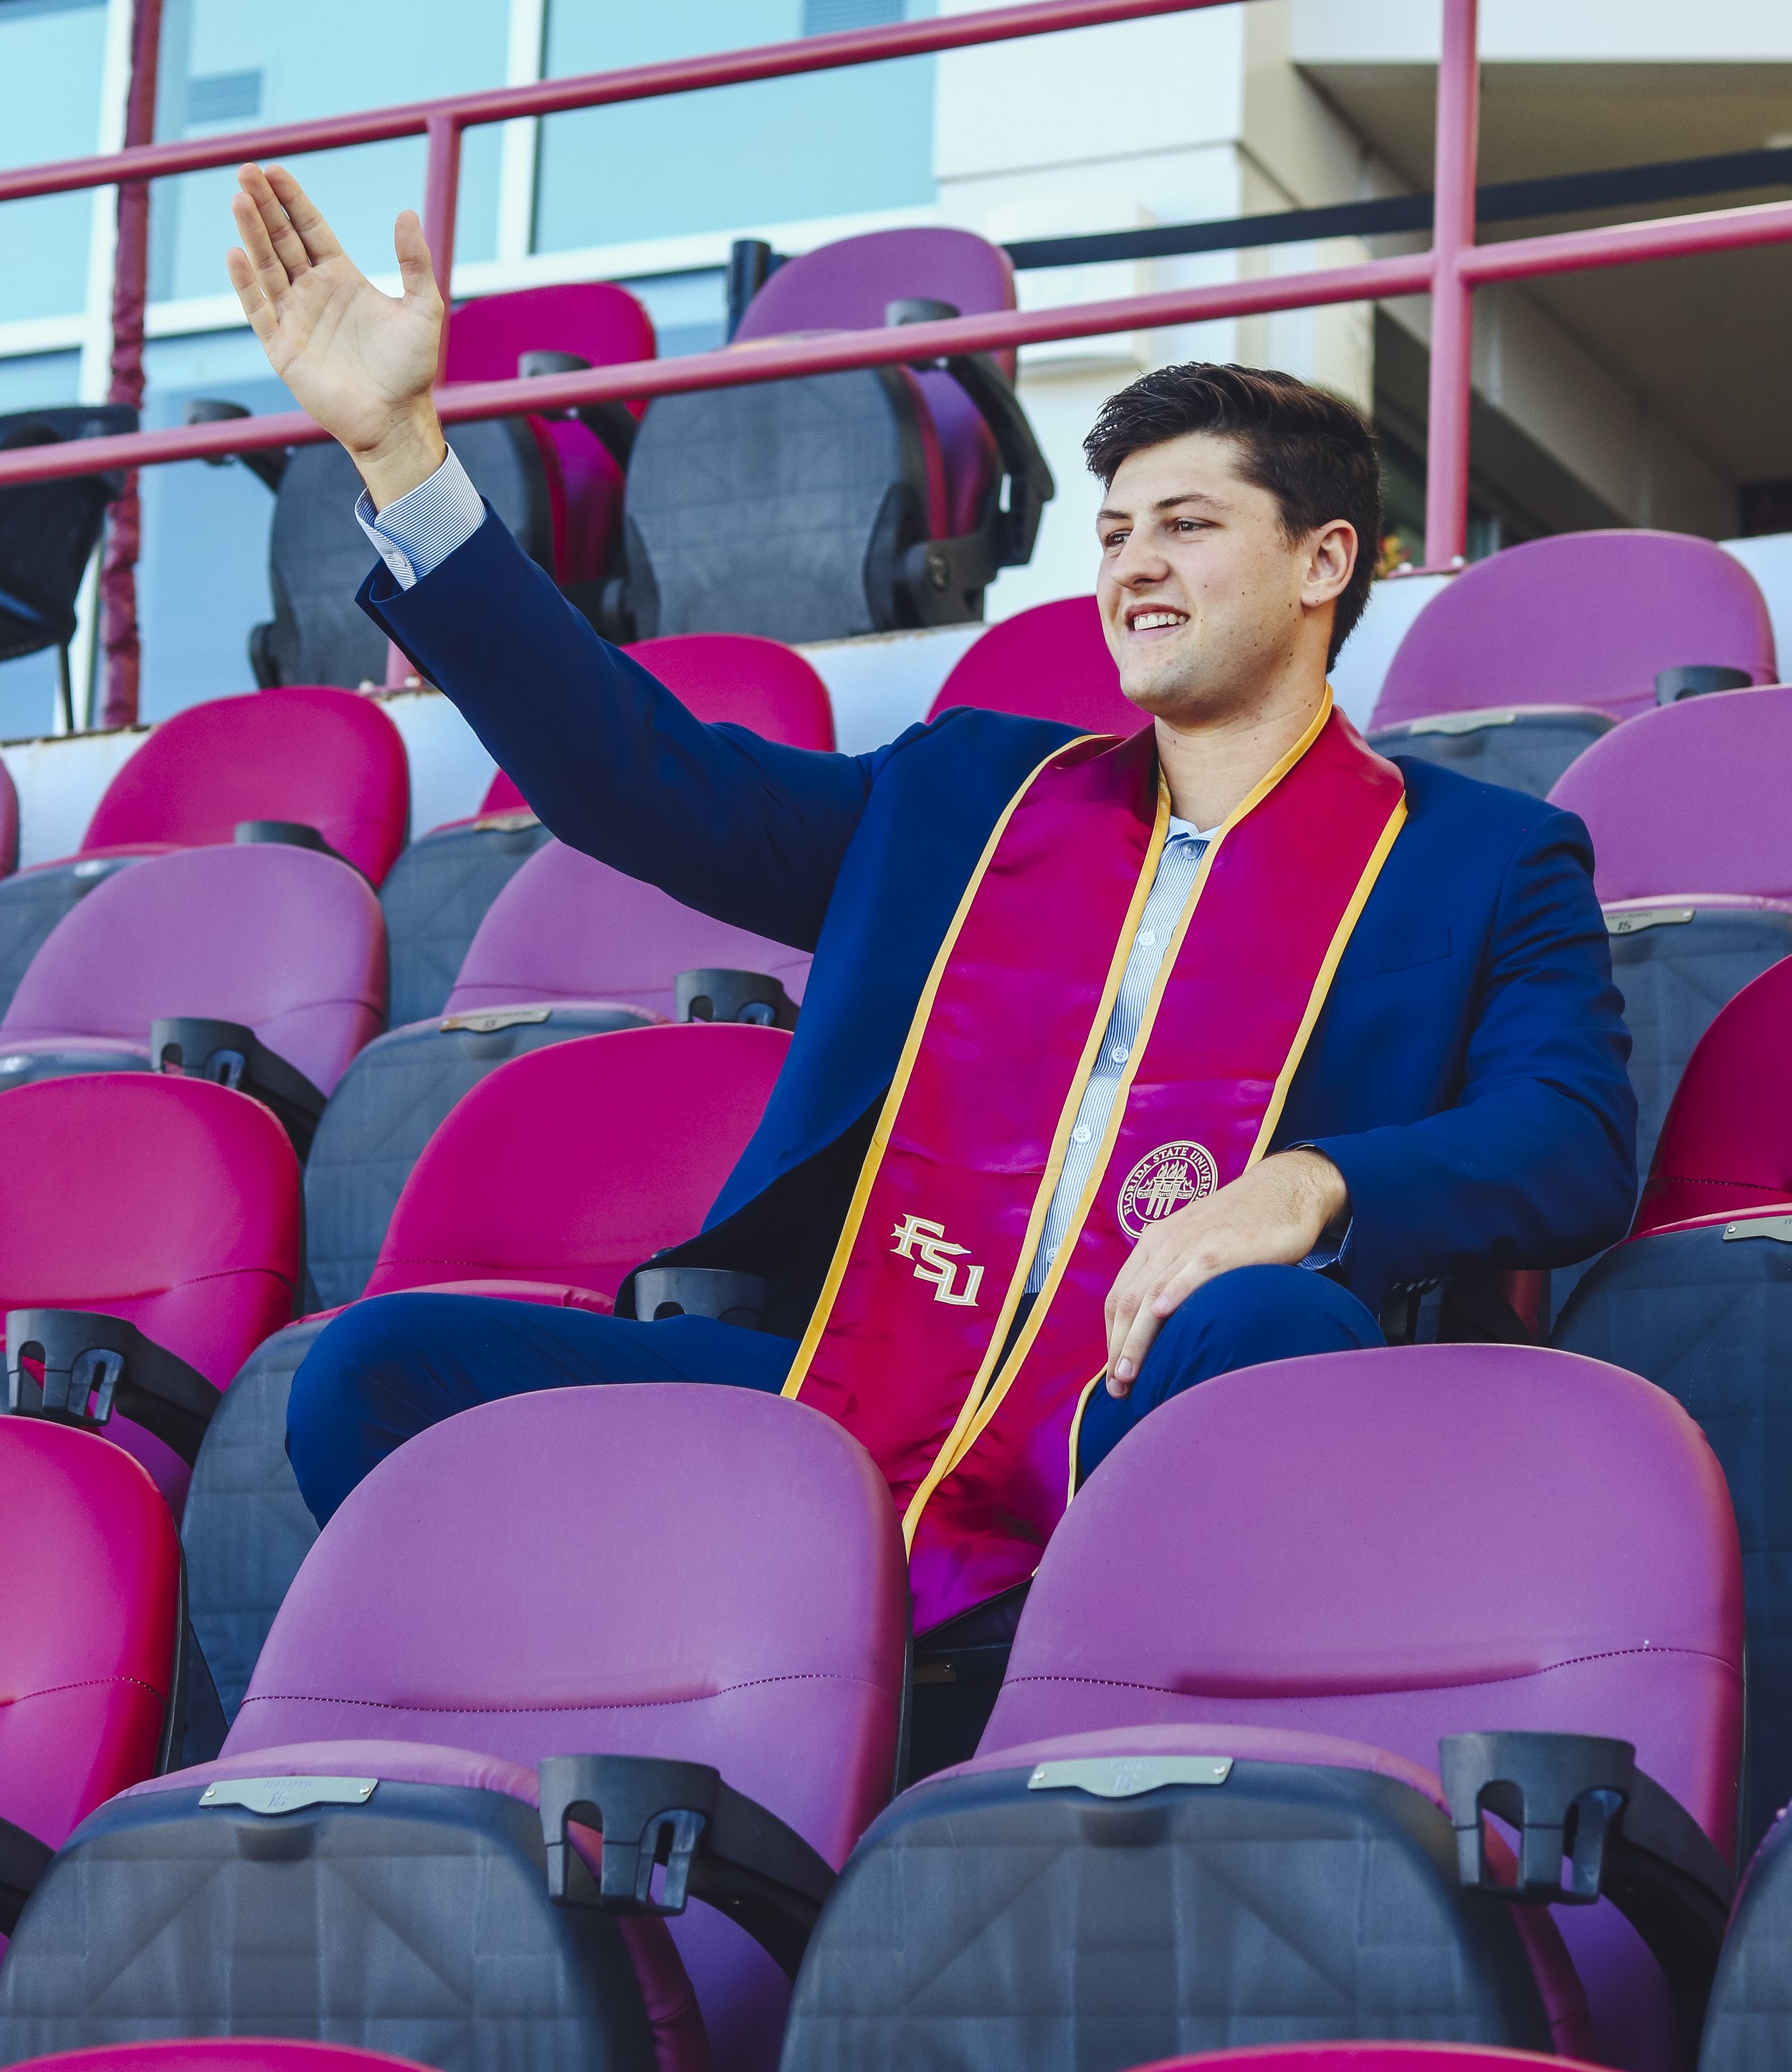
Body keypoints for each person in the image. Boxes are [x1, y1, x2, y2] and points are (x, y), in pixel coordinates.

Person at [224, 162, 1635, 1638]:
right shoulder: (964, 800)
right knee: (373, 1379)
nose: (1132, 566)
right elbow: (634, 779)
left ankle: (1066, 1696)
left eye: (1186, 526)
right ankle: (664, 1707)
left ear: (1320, 562)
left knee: (1274, 1320)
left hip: (1147, 1409)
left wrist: (1309, 1187)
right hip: (858, 1381)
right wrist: (401, 457)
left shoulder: (1479, 857)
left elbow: (1571, 1140)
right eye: (1110, 533)